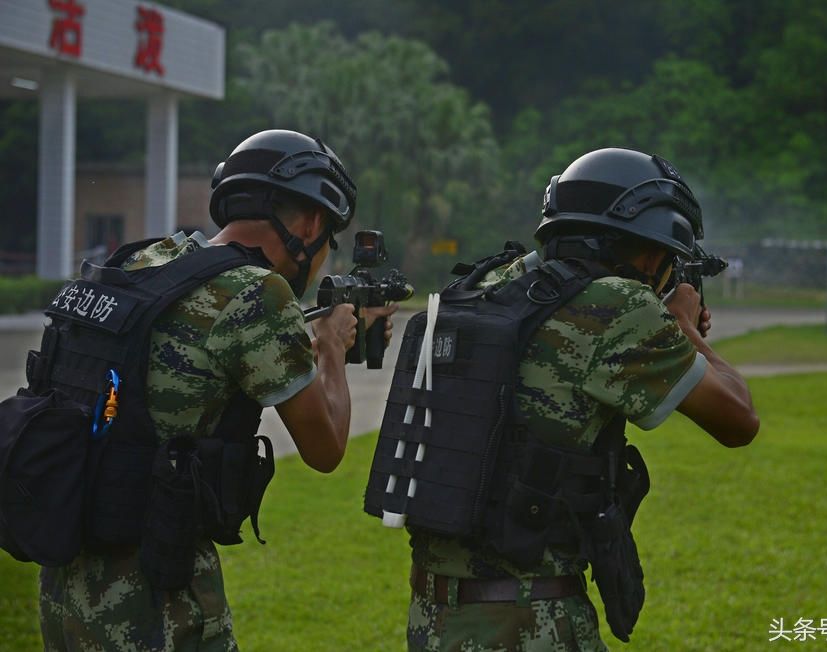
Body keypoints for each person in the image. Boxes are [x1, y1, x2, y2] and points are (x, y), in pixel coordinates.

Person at [37, 129, 396, 650]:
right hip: (156, 598)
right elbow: (325, 447)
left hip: (66, 579)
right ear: (314, 222)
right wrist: (332, 345)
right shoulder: (257, 291)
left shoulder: (147, 261)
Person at [403, 148, 759, 650]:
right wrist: (682, 327)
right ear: (654, 252)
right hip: (532, 619)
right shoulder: (619, 304)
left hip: (432, 612)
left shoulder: (488, 282)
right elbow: (739, 420)